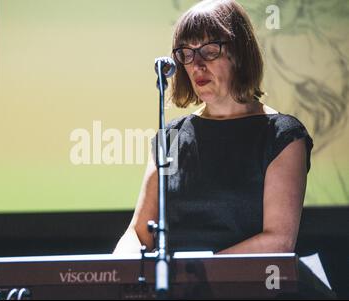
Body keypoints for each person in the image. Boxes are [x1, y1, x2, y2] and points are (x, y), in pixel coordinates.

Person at [114, 0, 314, 254]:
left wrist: (194, 275)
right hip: (174, 290)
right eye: (186, 53)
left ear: (240, 54)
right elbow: (138, 233)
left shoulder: (282, 136)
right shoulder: (172, 136)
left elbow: (278, 241)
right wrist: (117, 270)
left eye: (209, 50)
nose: (196, 64)